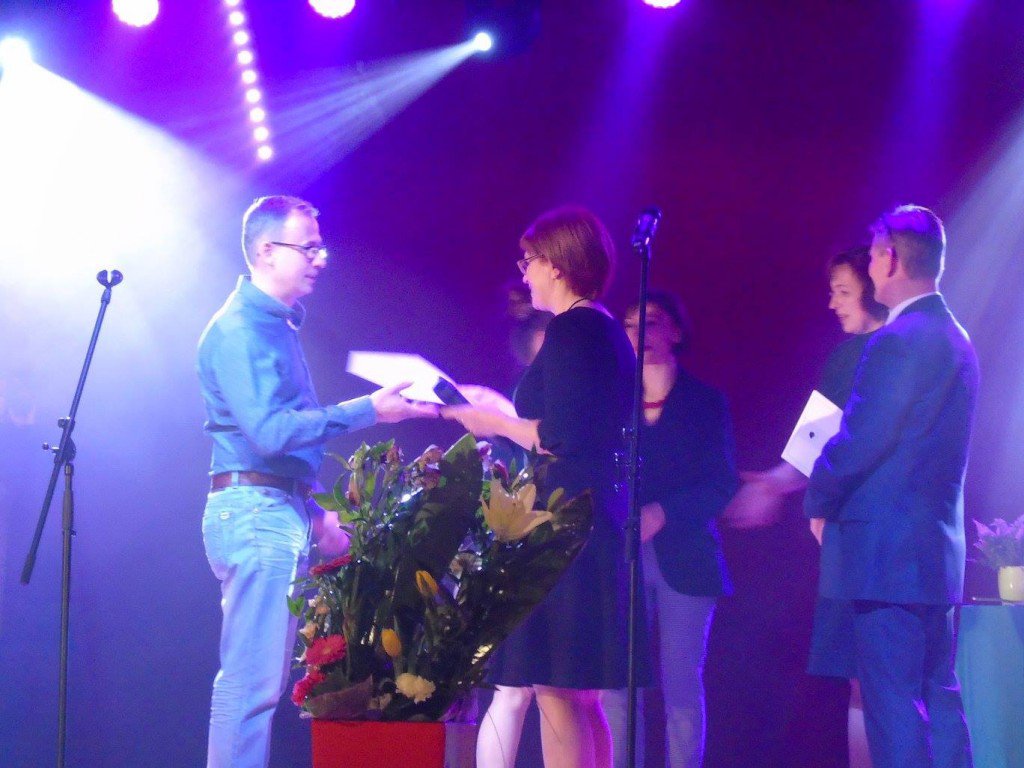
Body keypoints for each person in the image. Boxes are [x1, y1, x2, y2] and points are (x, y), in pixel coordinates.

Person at [196, 195, 437, 768]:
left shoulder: (272, 326)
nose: (320, 259)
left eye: (320, 247)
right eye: (308, 248)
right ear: (266, 251)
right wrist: (368, 410)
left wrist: (314, 517)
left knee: (256, 685)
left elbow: (278, 445)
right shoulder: (241, 330)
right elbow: (269, 432)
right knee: (249, 687)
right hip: (255, 512)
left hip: (269, 507)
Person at [443, 205, 643, 768]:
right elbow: (572, 424)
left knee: (558, 691)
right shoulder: (601, 329)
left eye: (528, 260)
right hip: (590, 518)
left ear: (557, 263)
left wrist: (490, 421)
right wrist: (501, 414)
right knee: (580, 697)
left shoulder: (575, 329)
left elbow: (558, 437)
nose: (524, 273)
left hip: (566, 526)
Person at [805, 205, 977, 768]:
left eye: (876, 251)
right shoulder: (957, 338)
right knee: (939, 697)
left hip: (887, 556)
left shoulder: (899, 340)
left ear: (891, 258)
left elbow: (861, 439)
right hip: (933, 553)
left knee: (893, 704)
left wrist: (818, 497)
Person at [728, 245, 888, 767]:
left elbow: (824, 449)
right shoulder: (855, 356)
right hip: (864, 536)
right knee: (867, 679)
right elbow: (811, 445)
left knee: (880, 680)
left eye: (843, 291)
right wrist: (773, 484)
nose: (832, 303)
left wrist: (780, 486)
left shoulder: (884, 352)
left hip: (875, 534)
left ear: (873, 288)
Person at [601, 290, 737, 768]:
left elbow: (721, 483)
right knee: (619, 686)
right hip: (622, 556)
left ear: (676, 331)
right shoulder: (612, 401)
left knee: (680, 685)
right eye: (630, 324)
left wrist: (664, 511)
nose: (640, 334)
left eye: (653, 322)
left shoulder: (705, 401)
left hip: (687, 558)